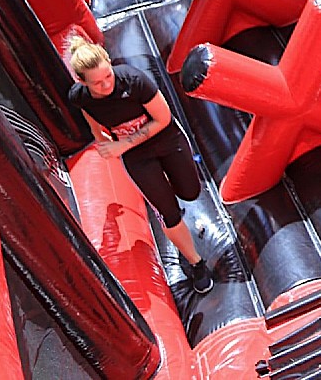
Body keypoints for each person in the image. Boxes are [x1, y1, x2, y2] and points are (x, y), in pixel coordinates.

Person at [66, 36, 213, 293]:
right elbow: (92, 119)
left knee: (190, 191)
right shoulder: (80, 96)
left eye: (108, 76)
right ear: (82, 82)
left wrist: (123, 144)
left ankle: (178, 208)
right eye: (97, 83)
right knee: (168, 212)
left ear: (111, 64)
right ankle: (195, 262)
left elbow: (163, 118)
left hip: (166, 137)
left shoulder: (134, 81)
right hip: (138, 157)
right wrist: (103, 143)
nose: (106, 85)